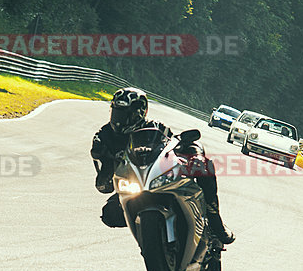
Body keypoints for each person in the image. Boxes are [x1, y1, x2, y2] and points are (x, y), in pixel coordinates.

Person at [90, 87, 235, 244]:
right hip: (132, 187)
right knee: (109, 214)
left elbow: (177, 144)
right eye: (117, 112)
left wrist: (194, 156)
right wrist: (104, 166)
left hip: (159, 178)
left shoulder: (156, 128)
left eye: (126, 114)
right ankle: (149, 236)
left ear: (140, 113)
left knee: (204, 166)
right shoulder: (103, 136)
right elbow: (103, 184)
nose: (119, 120)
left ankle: (214, 219)